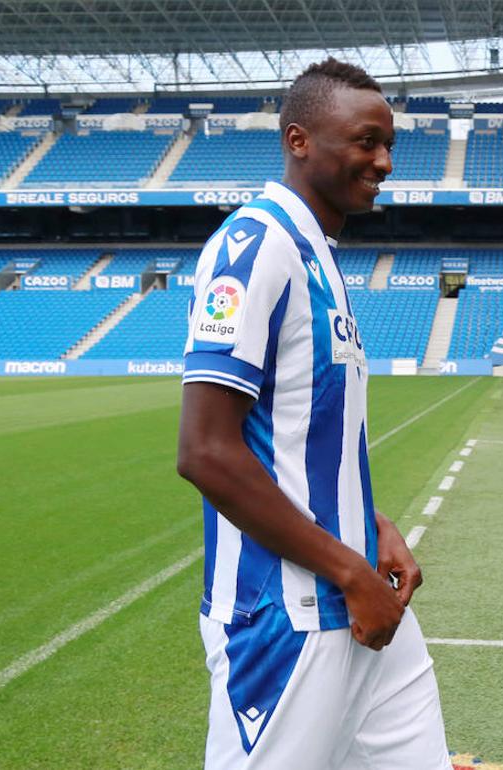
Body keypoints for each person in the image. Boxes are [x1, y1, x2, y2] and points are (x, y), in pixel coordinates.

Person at [177, 58, 453, 770]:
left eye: (389, 144)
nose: (385, 162)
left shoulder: (319, 256)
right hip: (288, 614)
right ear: (299, 140)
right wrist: (351, 572)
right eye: (365, 142)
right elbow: (206, 451)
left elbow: (305, 441)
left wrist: (374, 527)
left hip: (359, 603)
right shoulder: (256, 246)